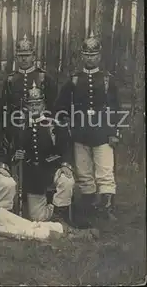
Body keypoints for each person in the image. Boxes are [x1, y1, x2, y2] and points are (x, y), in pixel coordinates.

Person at [55, 31, 121, 225]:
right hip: (80, 133)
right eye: (87, 55)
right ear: (82, 56)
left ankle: (106, 208)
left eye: (94, 55)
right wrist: (66, 122)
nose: (90, 58)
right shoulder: (74, 80)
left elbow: (116, 108)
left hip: (103, 133)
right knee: (84, 172)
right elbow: (61, 106)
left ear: (99, 56)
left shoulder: (108, 80)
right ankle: (88, 207)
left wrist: (114, 132)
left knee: (105, 171)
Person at [11, 81, 76, 227]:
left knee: (67, 181)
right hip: (32, 175)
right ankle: (53, 209)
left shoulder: (53, 125)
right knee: (38, 218)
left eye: (37, 104)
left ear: (43, 106)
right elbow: (13, 150)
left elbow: (65, 148)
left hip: (51, 168)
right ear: (26, 107)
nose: (34, 108)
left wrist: (65, 165)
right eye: (31, 105)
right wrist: (16, 155)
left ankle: (60, 215)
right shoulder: (20, 127)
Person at [2, 34, 58, 118]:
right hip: (15, 124)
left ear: (33, 57)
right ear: (16, 57)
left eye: (27, 55)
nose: (24, 59)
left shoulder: (44, 77)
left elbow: (52, 104)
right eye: (20, 56)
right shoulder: (10, 79)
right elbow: (5, 105)